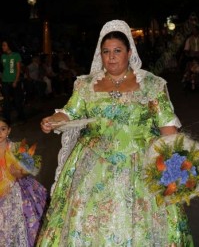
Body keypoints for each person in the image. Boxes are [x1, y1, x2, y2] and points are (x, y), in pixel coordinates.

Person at [38, 20, 194, 246]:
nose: (111, 57)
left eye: (117, 51)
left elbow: (167, 125)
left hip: (139, 163)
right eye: (106, 52)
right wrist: (53, 120)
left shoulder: (151, 84)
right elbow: (70, 112)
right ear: (100, 55)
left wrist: (175, 162)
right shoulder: (86, 85)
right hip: (92, 165)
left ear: (129, 52)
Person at [0, 117, 48, 246]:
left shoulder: (16, 148)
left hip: (19, 189)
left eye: (2, 129)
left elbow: (31, 167)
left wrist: (20, 173)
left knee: (25, 218)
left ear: (9, 130)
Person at [0, 38, 26, 124]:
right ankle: (7, 120)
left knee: (17, 100)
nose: (2, 47)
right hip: (5, 81)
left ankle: (22, 117)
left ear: (9, 46)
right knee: (6, 101)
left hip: (14, 81)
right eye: (2, 45)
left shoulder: (16, 55)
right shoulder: (2, 56)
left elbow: (18, 69)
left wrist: (15, 81)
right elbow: (3, 69)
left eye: (4, 45)